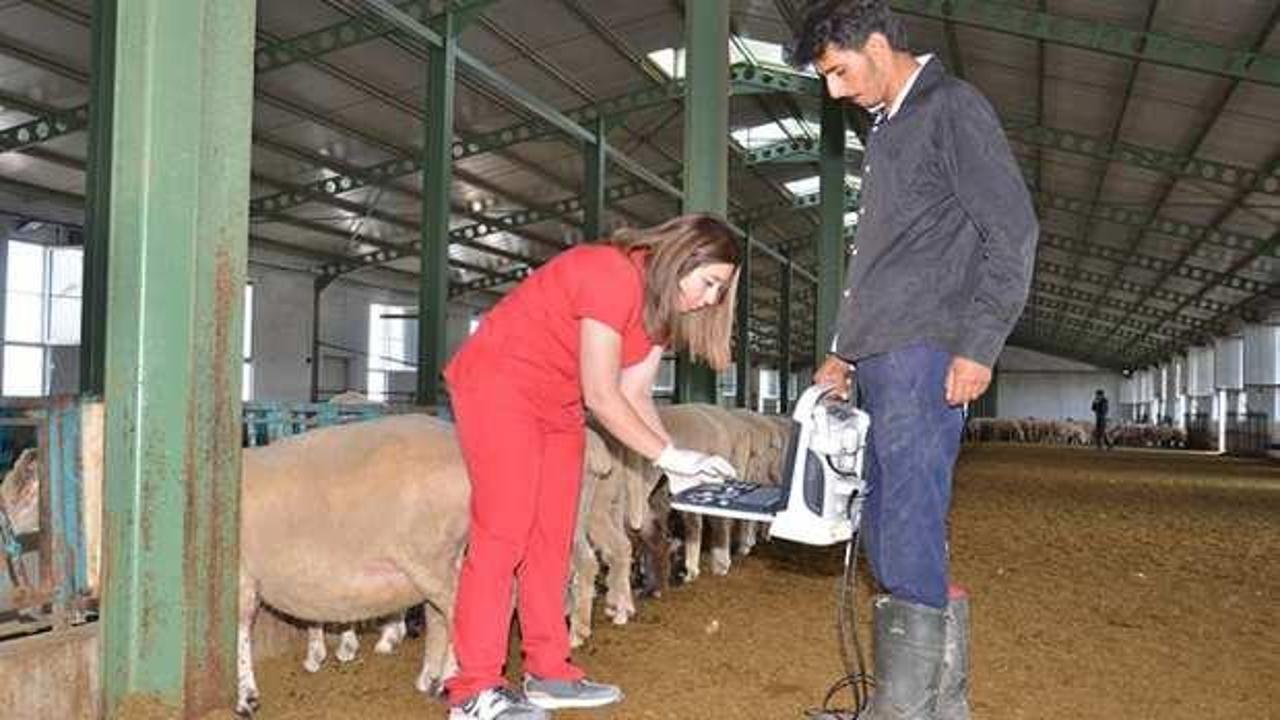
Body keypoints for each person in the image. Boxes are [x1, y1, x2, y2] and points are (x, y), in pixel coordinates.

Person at [787, 1, 1037, 718]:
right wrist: (841, 354)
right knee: (889, 524)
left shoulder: (951, 107)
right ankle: (933, 707)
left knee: (905, 524)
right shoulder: (890, 128)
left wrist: (979, 345)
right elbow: (885, 261)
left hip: (926, 353)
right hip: (885, 355)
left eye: (838, 71)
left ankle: (906, 710)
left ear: (875, 44)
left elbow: (1012, 230)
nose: (834, 91)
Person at [442, 213, 741, 720]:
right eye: (710, 282)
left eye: (720, 290)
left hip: (559, 404)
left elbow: (634, 395)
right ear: (683, 257)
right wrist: (666, 455)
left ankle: (548, 671)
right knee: (504, 533)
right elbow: (603, 395)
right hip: (500, 383)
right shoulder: (609, 273)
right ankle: (474, 690)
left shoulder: (660, 315)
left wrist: (679, 463)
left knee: (554, 536)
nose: (711, 299)